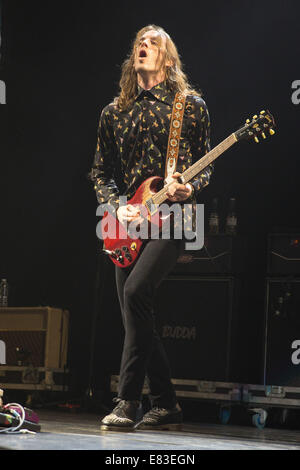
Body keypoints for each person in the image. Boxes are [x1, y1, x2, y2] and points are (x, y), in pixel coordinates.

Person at [89, 25, 213, 431]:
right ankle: (166, 403)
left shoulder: (190, 106)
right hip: (124, 220)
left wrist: (189, 186)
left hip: (174, 217)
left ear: (168, 58)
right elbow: (100, 172)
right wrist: (114, 206)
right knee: (135, 315)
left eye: (153, 42)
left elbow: (205, 165)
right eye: (140, 42)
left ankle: (126, 401)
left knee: (137, 291)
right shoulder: (113, 112)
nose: (143, 45)